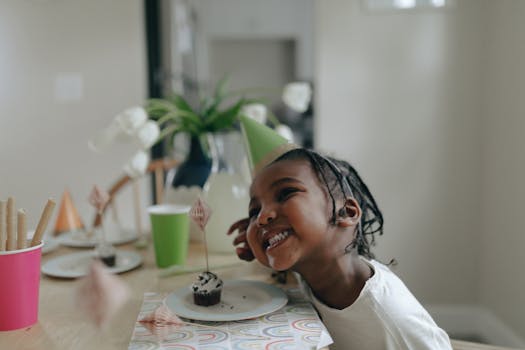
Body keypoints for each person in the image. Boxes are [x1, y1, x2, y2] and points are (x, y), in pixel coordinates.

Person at [227, 116, 453, 349]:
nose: (262, 217)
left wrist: (276, 235)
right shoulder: (314, 270)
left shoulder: (390, 320)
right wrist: (266, 240)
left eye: (285, 194)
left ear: (345, 212)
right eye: (255, 211)